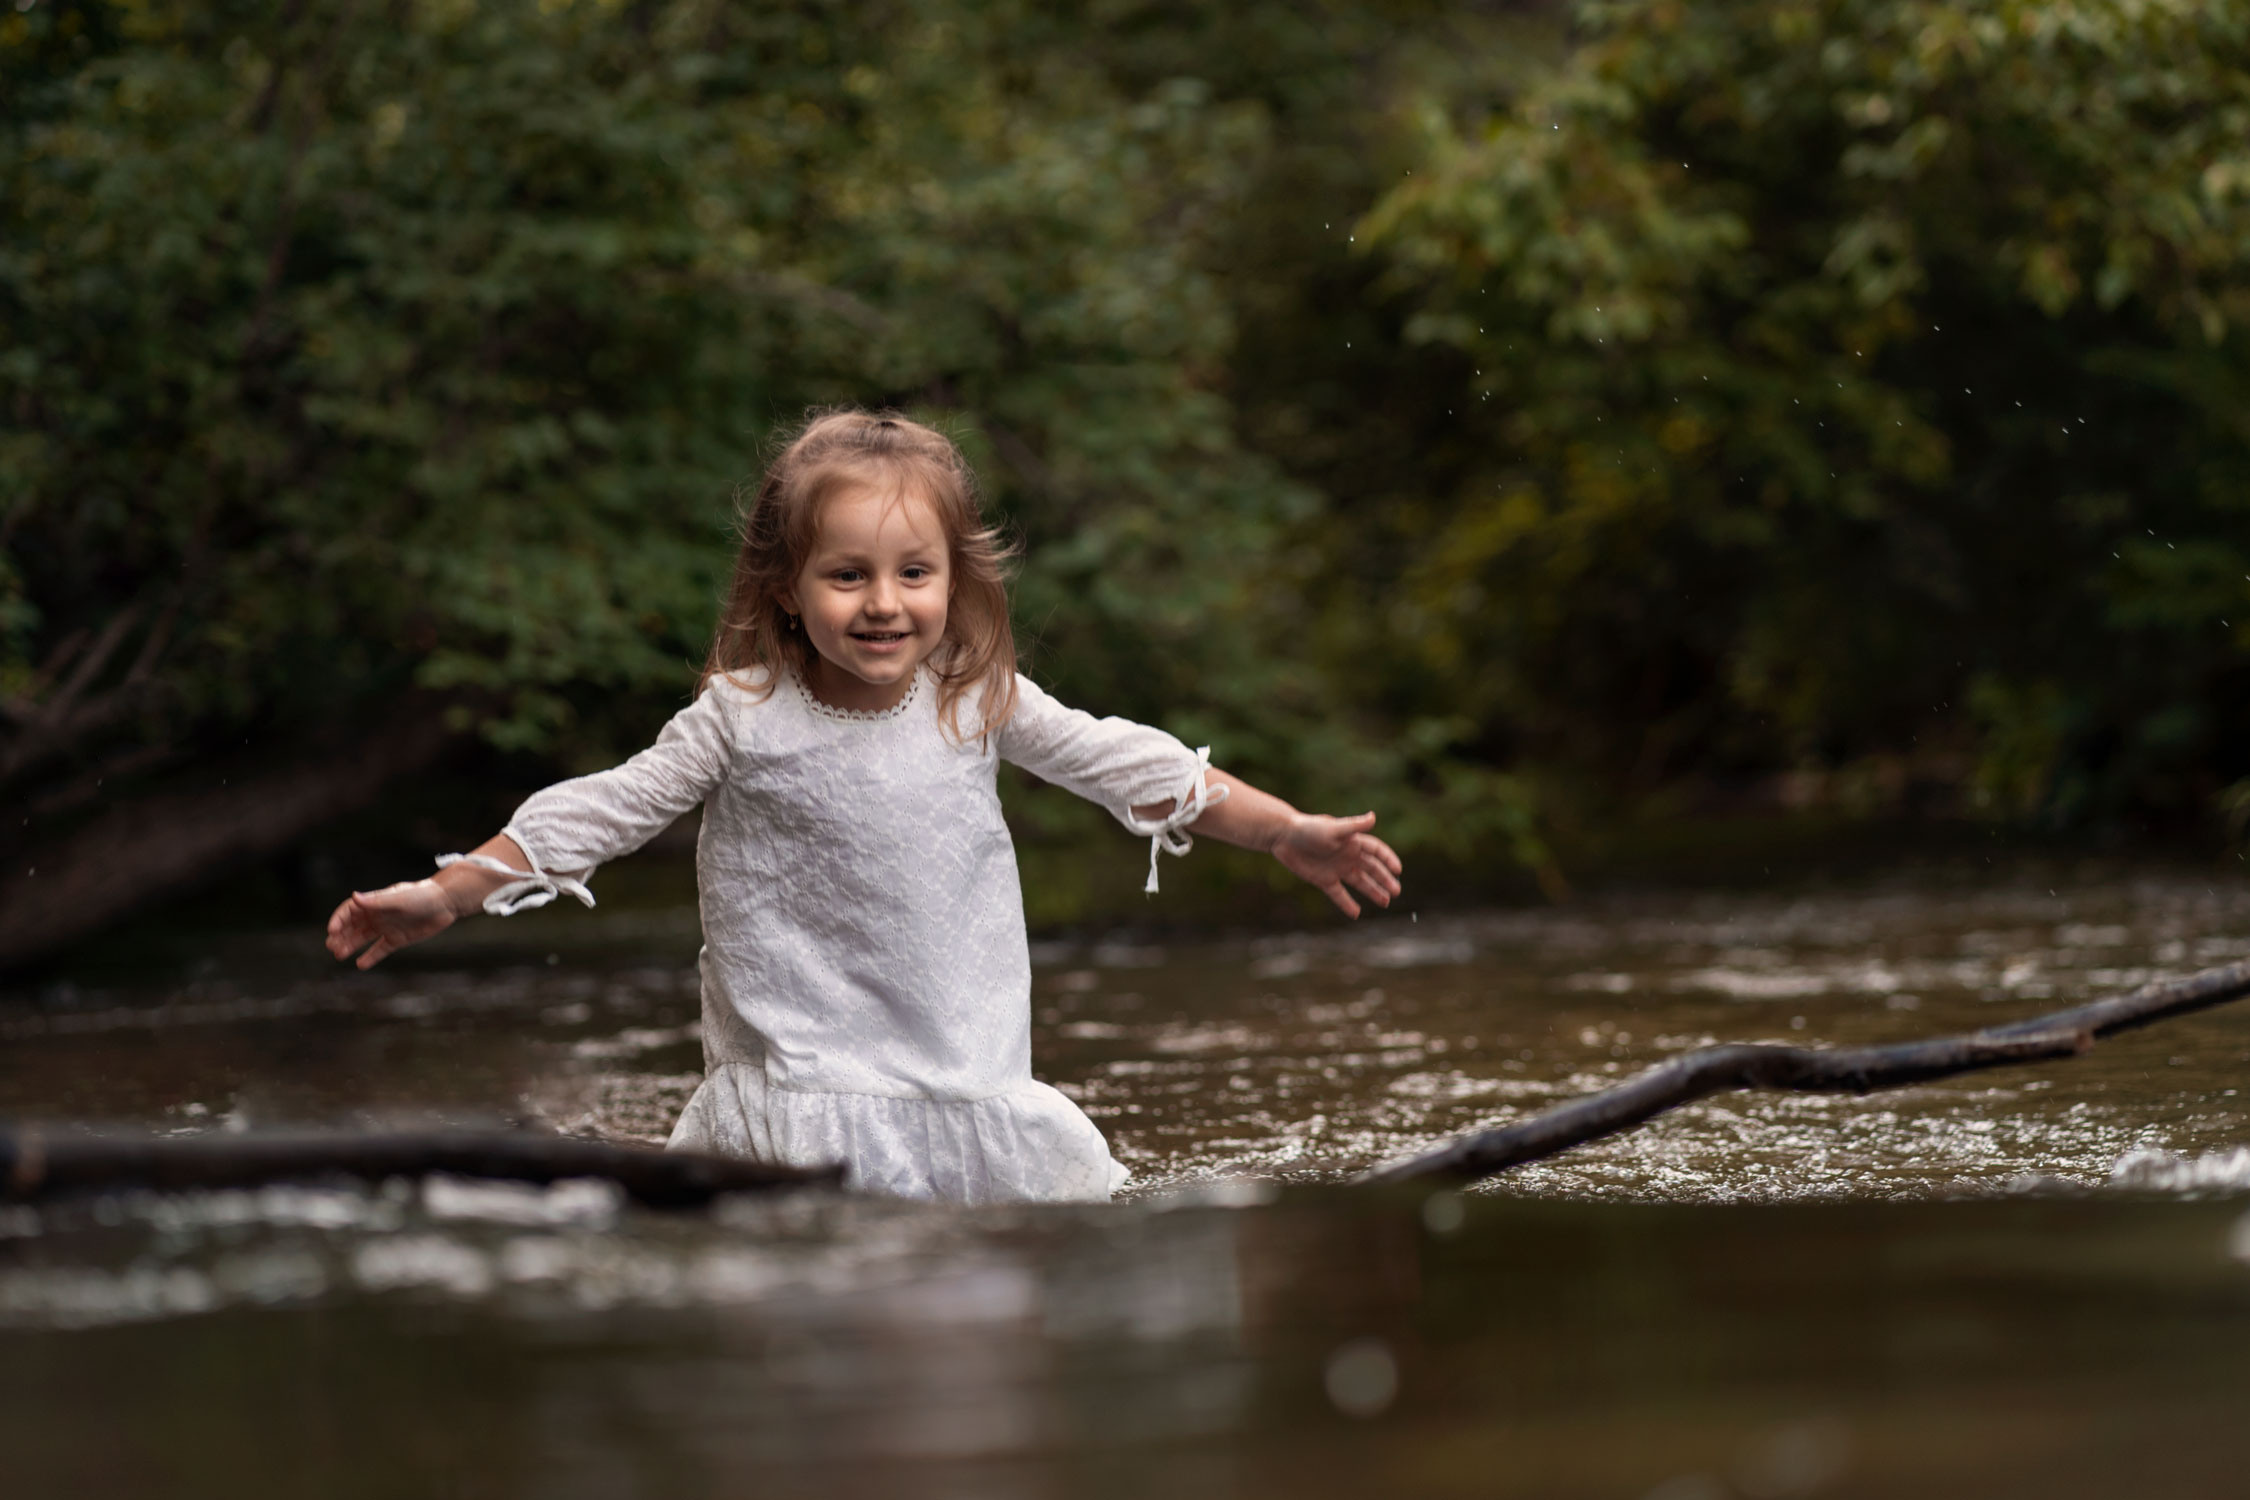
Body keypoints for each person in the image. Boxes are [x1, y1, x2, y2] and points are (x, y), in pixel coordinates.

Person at [325, 409, 1402, 1203]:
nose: (884, 604)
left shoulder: (977, 703)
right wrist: (450, 890)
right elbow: (602, 811)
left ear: (954, 582)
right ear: (787, 589)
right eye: (848, 575)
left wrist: (1285, 831)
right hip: (799, 1095)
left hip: (965, 1089)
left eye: (913, 573)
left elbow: (1135, 767)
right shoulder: (740, 718)